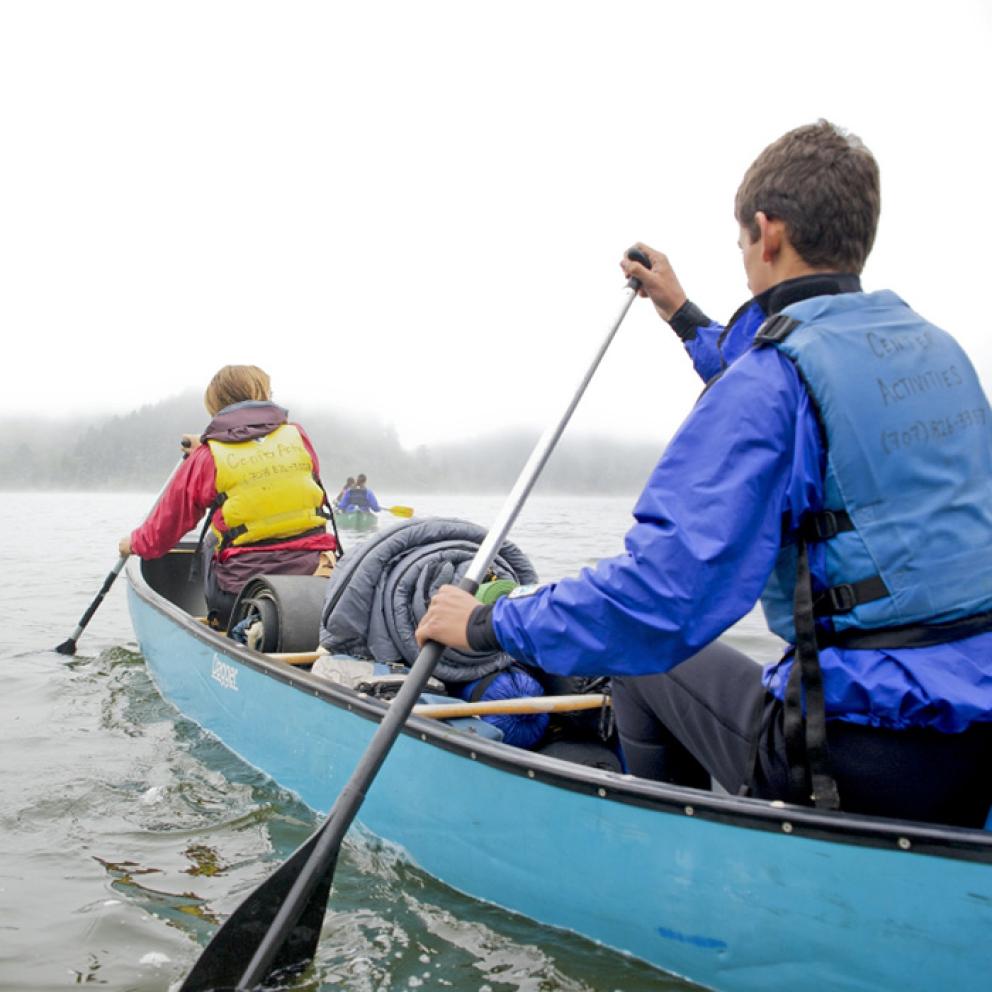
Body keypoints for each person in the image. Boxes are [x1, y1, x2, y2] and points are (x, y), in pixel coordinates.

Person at [416, 120, 992, 828]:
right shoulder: (939, 354)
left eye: (742, 243)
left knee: (645, 659)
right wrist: (680, 312)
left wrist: (486, 622)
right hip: (977, 742)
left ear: (767, 230)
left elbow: (659, 602)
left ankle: (669, 853)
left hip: (860, 757)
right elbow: (802, 388)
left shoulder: (771, 382)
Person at [119, 364, 338, 626]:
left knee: (212, 538)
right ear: (262, 394)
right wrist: (209, 443)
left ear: (215, 405)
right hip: (316, 578)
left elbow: (163, 530)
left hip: (241, 595)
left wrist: (133, 544)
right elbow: (262, 455)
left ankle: (224, 623)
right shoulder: (298, 437)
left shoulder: (206, 457)